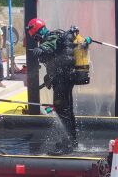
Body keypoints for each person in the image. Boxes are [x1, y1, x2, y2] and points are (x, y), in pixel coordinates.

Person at [26, 18, 92, 155]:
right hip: (64, 79)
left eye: (36, 35)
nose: (36, 38)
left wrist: (41, 48)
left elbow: (50, 45)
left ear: (38, 31)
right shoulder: (54, 36)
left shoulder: (51, 36)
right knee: (67, 111)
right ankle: (72, 142)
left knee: (62, 111)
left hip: (62, 80)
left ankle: (68, 145)